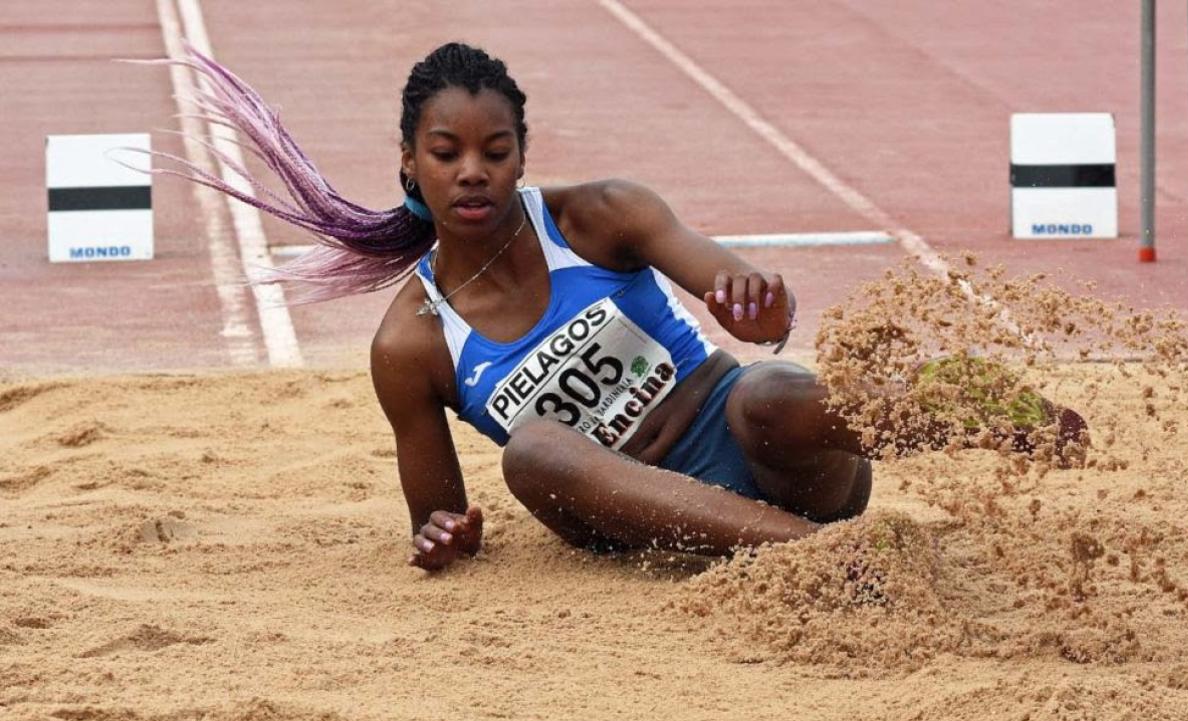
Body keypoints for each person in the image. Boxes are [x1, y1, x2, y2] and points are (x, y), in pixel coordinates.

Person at [162, 43, 1086, 571]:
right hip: (639, 519)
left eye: (495, 150)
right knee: (532, 451)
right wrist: (442, 534)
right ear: (411, 162)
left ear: (522, 156)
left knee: (766, 388)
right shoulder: (411, 343)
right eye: (447, 152)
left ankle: (1001, 416)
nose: (473, 170)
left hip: (771, 459)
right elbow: (438, 515)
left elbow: (750, 300)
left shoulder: (600, 215)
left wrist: (758, 305)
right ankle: (812, 560)